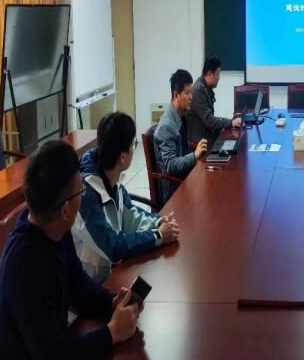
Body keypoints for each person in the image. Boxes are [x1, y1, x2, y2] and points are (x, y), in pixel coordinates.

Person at [0, 141, 141, 360]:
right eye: (81, 191)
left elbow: (78, 285)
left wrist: (111, 304)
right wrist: (111, 333)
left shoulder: (54, 227)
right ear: (66, 210)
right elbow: (51, 354)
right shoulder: (24, 264)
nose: (83, 197)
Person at [72, 112, 180, 282]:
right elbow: (112, 247)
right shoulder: (84, 194)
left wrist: (159, 222)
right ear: (123, 157)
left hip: (113, 271)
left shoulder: (109, 174)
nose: (134, 148)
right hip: (92, 284)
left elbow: (129, 215)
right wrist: (158, 236)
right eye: (133, 144)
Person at [154, 69, 208, 205]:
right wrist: (194, 156)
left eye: (191, 92)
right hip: (174, 190)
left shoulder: (180, 116)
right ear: (176, 94)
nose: (191, 97)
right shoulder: (167, 126)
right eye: (187, 93)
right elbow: (171, 165)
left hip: (184, 178)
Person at [186, 56, 242, 144]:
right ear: (210, 74)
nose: (219, 77)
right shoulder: (199, 91)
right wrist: (231, 123)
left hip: (207, 138)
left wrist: (228, 123)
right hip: (200, 144)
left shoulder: (205, 87)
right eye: (217, 74)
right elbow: (209, 120)